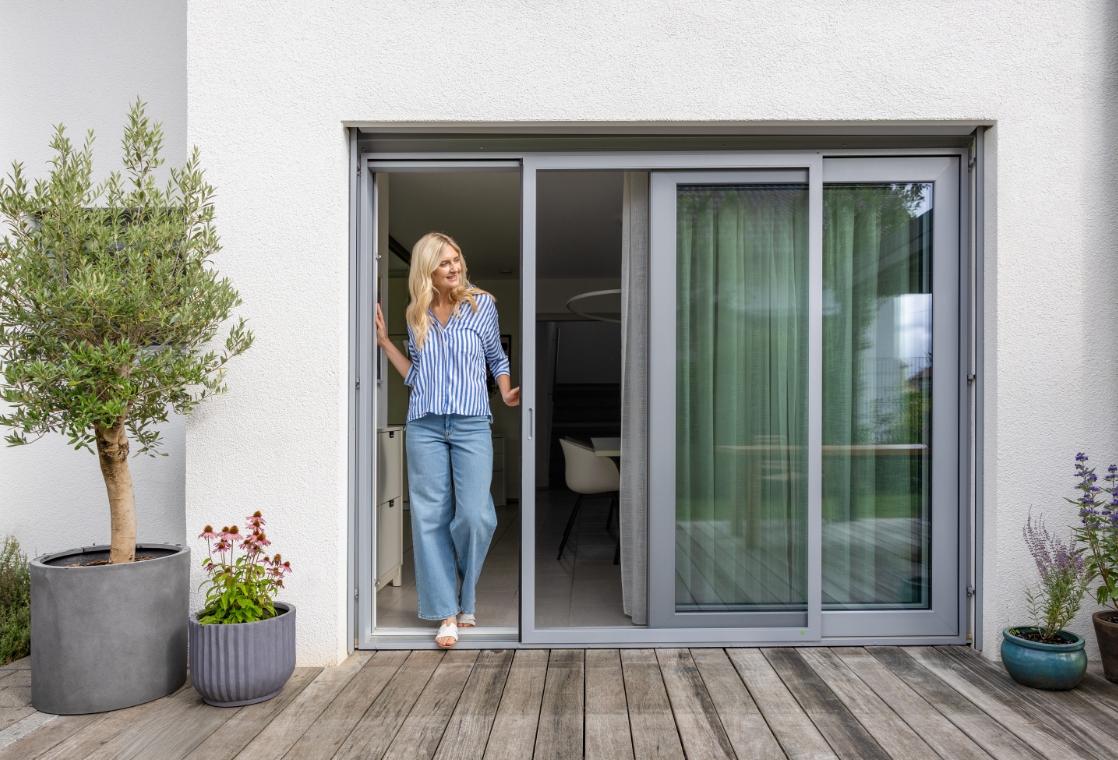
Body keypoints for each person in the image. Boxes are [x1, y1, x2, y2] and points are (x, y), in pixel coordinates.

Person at [376, 231, 519, 648]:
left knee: (475, 516)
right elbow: (417, 373)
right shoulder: (415, 314)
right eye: (444, 263)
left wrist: (507, 390)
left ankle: (466, 594)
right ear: (427, 270)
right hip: (424, 424)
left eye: (457, 259)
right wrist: (385, 343)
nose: (454, 268)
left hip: (472, 422)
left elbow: (497, 358)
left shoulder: (481, 305)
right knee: (429, 518)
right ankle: (447, 614)